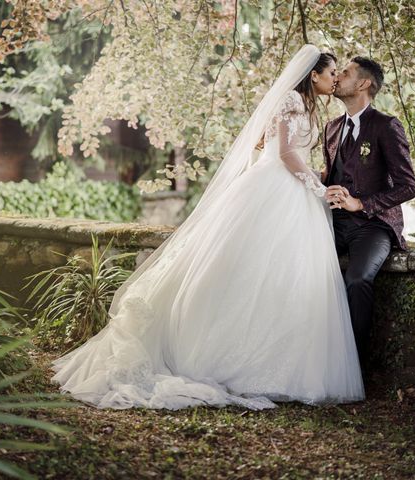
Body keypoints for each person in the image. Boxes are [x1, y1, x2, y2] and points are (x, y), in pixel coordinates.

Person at [52, 45, 365, 410]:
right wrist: (317, 186)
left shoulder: (305, 106)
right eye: (330, 74)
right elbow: (284, 154)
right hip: (277, 190)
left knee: (281, 273)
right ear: (313, 75)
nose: (335, 80)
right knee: (250, 270)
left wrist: (317, 178)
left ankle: (277, 361)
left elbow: (286, 150)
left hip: (290, 190)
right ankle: (220, 356)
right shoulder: (292, 102)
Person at [322, 57, 415, 362]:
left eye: (345, 73)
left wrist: (362, 204)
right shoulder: (332, 128)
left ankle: (353, 367)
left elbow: (408, 186)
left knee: (358, 279)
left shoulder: (386, 126)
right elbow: (331, 175)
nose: (336, 77)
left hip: (373, 226)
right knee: (299, 265)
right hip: (334, 223)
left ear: (363, 84)